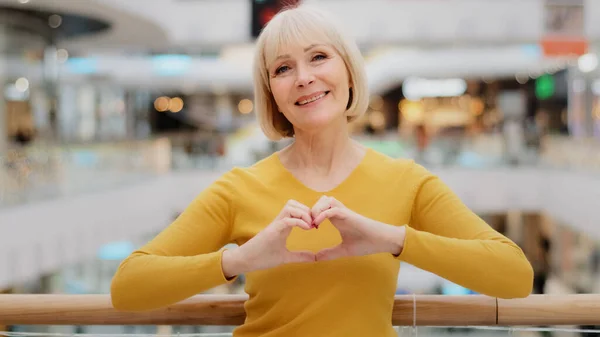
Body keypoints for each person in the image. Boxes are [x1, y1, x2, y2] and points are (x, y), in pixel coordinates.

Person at [110, 5, 534, 337]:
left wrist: (389, 238)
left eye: (318, 57)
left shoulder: (407, 182)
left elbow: (514, 275)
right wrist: (240, 258)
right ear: (272, 94)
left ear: (348, 71)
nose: (304, 78)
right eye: (282, 68)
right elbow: (128, 286)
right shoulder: (238, 189)